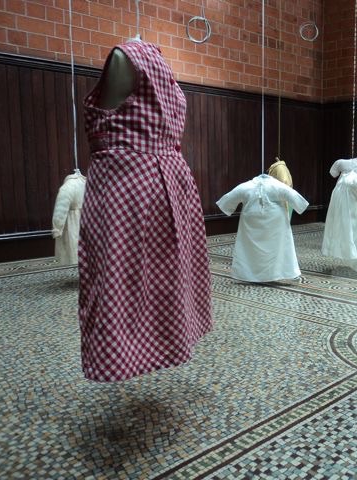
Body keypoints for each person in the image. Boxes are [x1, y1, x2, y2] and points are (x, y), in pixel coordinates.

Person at [78, 40, 213, 382]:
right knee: (165, 271)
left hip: (128, 181)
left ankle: (123, 354)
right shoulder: (156, 63)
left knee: (118, 273)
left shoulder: (124, 57)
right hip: (170, 179)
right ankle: (161, 343)